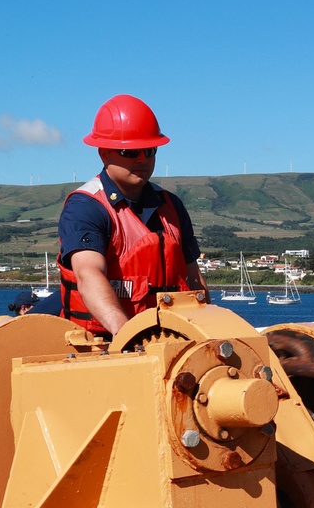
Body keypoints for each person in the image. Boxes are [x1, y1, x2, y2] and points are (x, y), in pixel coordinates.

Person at [57, 94, 206, 337]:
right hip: (101, 344)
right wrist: (126, 335)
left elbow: (193, 277)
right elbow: (88, 273)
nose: (142, 159)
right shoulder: (86, 206)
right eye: (130, 152)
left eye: (150, 150)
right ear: (104, 153)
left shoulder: (172, 206)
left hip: (169, 340)